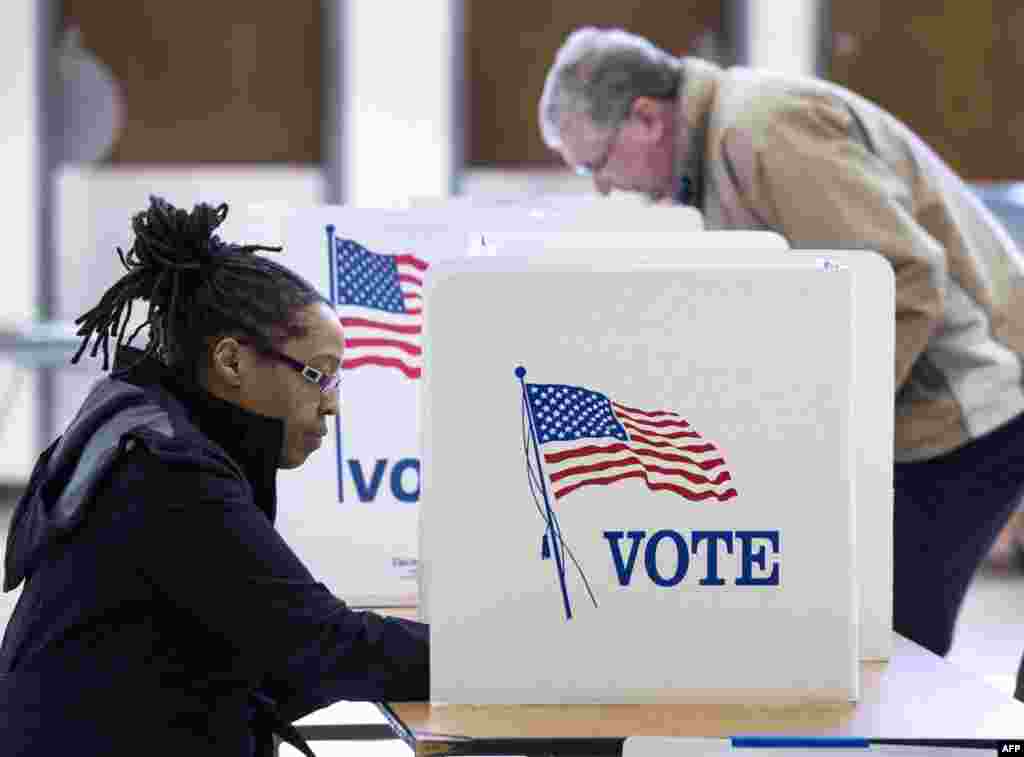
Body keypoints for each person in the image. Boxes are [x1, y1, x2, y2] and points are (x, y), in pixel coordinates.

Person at [540, 27, 1024, 695]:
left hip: (973, 396)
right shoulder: (719, 149)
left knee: (881, 640)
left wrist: (818, 434)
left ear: (648, 118)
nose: (601, 189)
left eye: (595, 164)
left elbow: (904, 280)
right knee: (856, 631)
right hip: (932, 399)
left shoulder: (762, 132)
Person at [0, 197, 429, 755]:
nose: (332, 407)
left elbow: (273, 649)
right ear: (231, 363)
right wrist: (497, 657)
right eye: (318, 376)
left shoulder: (143, 429)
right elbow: (320, 645)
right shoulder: (169, 474)